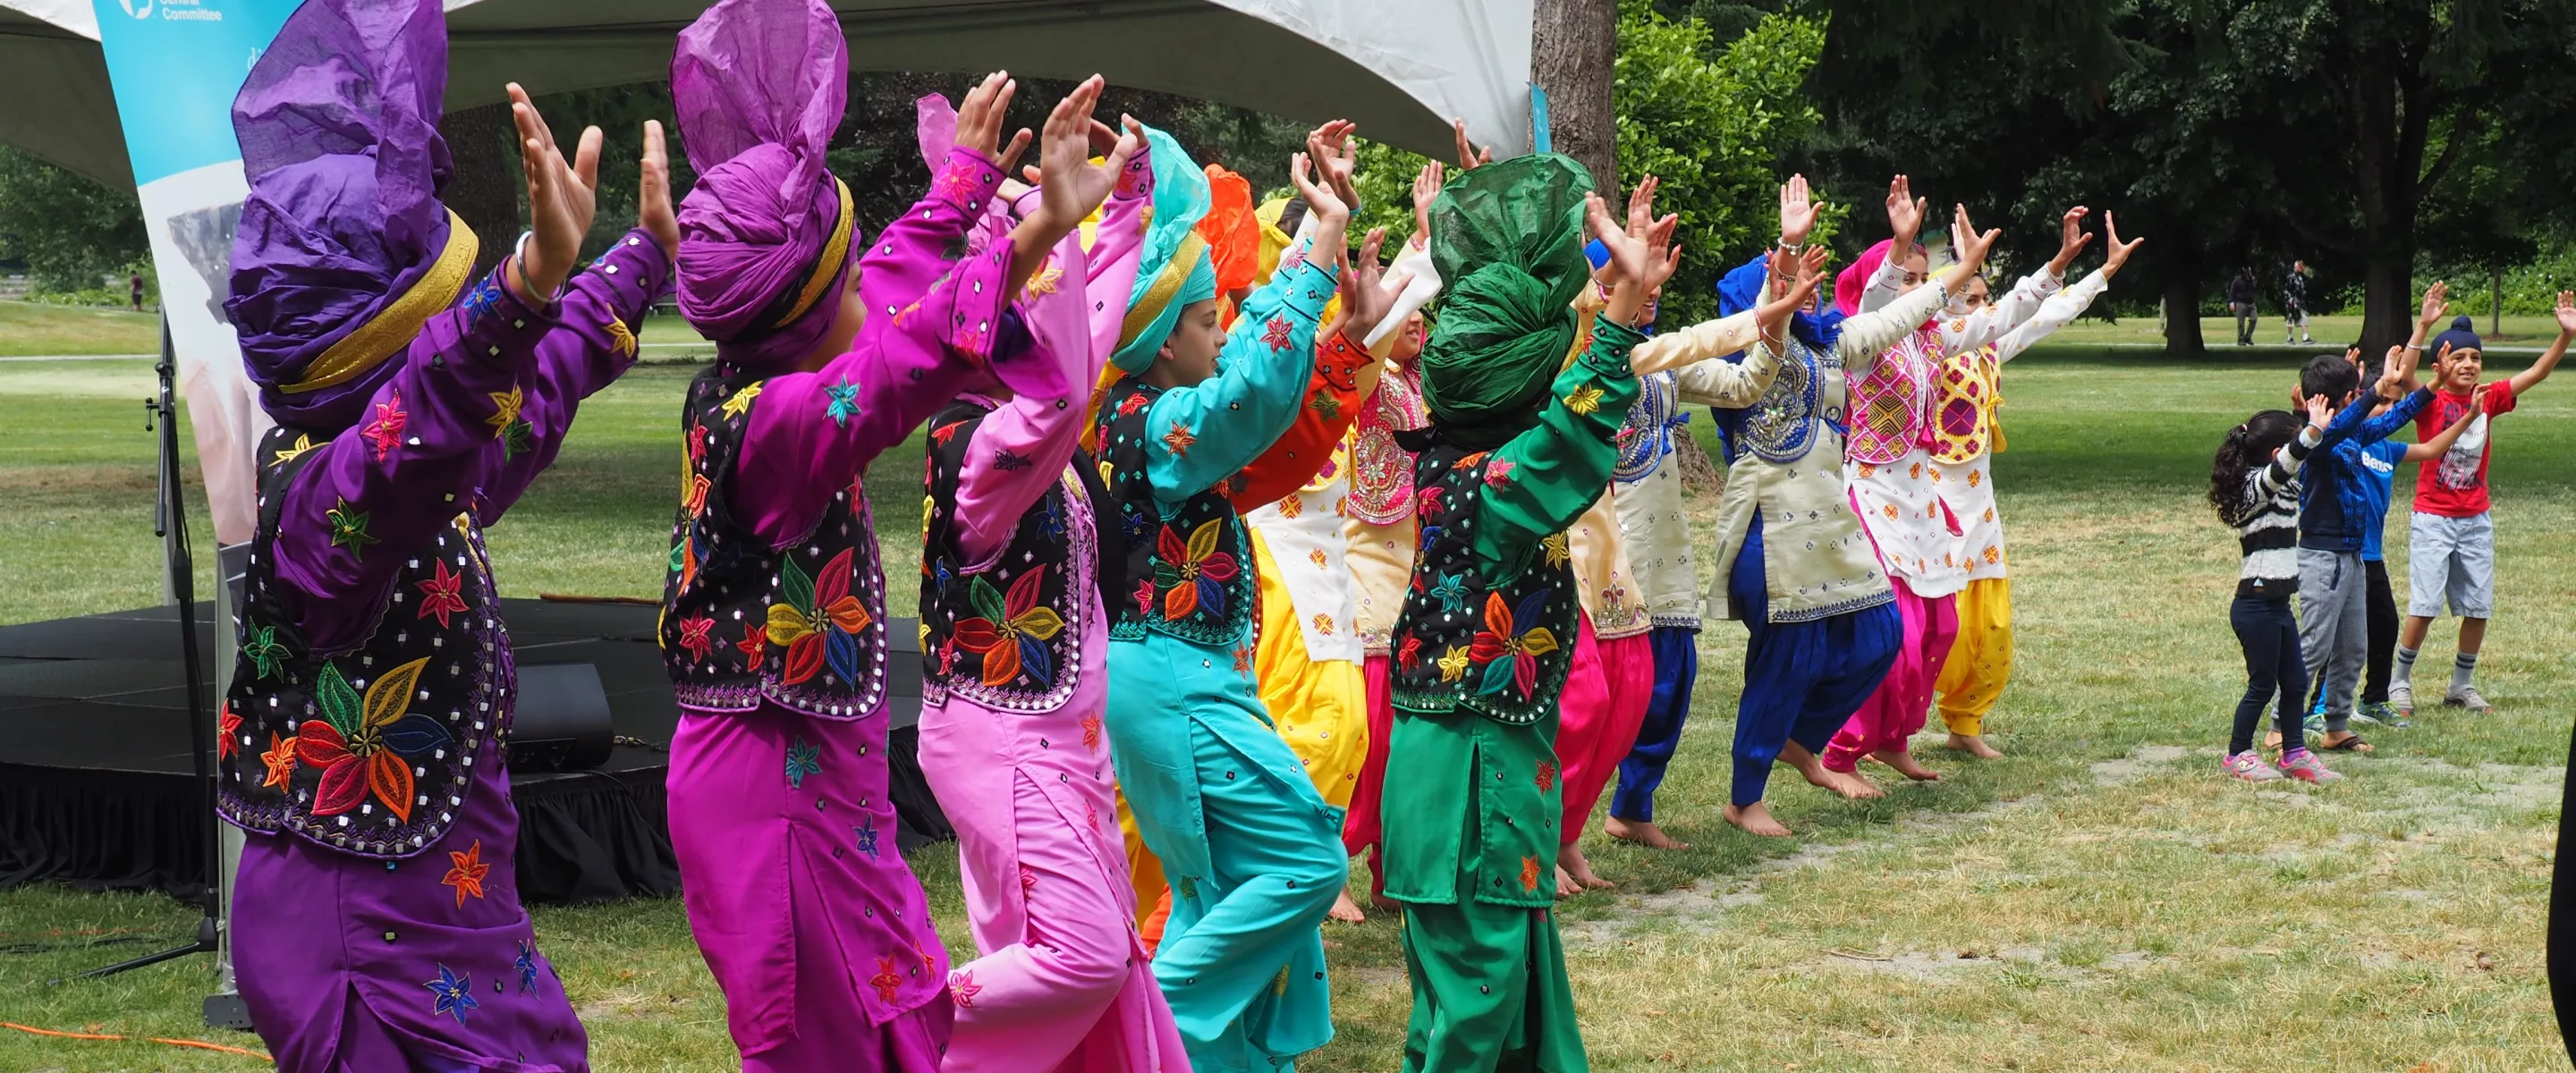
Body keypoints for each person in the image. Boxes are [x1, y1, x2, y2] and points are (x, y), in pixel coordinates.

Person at [213, 0, 675, 1067]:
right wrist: (516, 294)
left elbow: (527, 391)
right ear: (394, 347)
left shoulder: (428, 477)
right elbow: (416, 429)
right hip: (361, 938)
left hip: (442, 909)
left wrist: (640, 259)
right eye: (446, 306)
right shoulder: (332, 504)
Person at [659, 5, 1053, 1061]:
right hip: (771, 799)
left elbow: (875, 294)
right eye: (845, 285)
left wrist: (961, 185)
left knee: (896, 1024)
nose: (868, 294)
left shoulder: (764, 372)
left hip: (799, 770)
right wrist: (1017, 255)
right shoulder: (778, 425)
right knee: (845, 1043)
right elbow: (886, 368)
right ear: (808, 313)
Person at [1379, 156, 1716, 1072]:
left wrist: (1609, 292)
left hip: (1471, 774)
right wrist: (1617, 320)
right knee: (1476, 1006)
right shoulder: (1494, 492)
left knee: (1513, 998)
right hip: (1471, 790)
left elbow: (1551, 405)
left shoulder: (1451, 461)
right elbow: (1569, 431)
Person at [1093, 117, 1395, 1072]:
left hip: (1180, 680)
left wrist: (1344, 338)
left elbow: (1280, 436)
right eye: (1204, 320)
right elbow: (1256, 392)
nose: (1220, 327)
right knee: (1308, 858)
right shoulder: (1155, 426)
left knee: (1216, 892)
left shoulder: (1169, 427)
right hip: (1174, 683)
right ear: (1159, 343)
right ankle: (1144, 1037)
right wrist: (1317, 244)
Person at [909, 80, 1199, 1071]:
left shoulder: (1021, 408)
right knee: (1081, 958)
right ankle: (894, 1034)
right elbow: (1065, 385)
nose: (1049, 298)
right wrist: (1068, 233)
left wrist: (1117, 206)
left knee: (1090, 961)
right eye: (1027, 277)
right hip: (1006, 747)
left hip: (1056, 741)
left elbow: (1086, 331)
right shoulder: (983, 447)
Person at [1666, 175, 1992, 836]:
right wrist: (1785, 252)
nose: (1798, 291)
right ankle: (1743, 796)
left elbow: (1893, 316)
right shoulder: (1744, 364)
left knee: (1879, 635)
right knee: (1784, 660)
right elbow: (1760, 326)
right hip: (1769, 528)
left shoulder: (1829, 349)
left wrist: (1953, 270)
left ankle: (1801, 741)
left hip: (1833, 525)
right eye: (1780, 283)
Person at [1826, 182, 2048, 786]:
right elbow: (1875, 303)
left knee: (1942, 628)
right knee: (1893, 633)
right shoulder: (1864, 342)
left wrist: (2053, 269)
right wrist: (1899, 247)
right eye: (1909, 277)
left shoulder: (1933, 338)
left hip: (1922, 500)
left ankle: (1894, 739)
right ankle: (1842, 751)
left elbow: (2001, 316)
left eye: (1925, 277)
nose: (1918, 287)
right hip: (1873, 494)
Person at [1926, 208, 2143, 759]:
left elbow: (2049, 315)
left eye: (1982, 300)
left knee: (1991, 626)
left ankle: (1964, 724)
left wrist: (2100, 274)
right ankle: (1891, 727)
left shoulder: (1990, 348)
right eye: (1968, 300)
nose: (1980, 309)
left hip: (1980, 505)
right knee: (1928, 629)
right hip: (1928, 506)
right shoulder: (1921, 352)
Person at [2388, 287, 2576, 715]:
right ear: (2441, 365)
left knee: (2477, 605)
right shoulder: (2429, 399)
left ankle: (2461, 685)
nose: (2469, 365)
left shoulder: (2488, 398)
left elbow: (2536, 373)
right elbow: (2404, 373)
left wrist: (2566, 336)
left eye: (2475, 358)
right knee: (2425, 604)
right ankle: (2398, 682)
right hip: (2433, 517)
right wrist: (2423, 325)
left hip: (2475, 518)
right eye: (2458, 358)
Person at [2208, 400, 2343, 783]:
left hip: (2277, 605)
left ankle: (2294, 753)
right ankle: (2238, 754)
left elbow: (2304, 454)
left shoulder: (2285, 484)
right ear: (2273, 455)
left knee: (2296, 682)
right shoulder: (2256, 488)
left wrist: (2309, 418)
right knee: (2262, 684)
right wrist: (2309, 430)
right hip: (2255, 604)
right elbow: (2293, 456)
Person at [2283, 260, 2313, 344]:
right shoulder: (2291, 276)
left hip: (2300, 301)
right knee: (2291, 319)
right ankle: (2289, 338)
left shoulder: (2301, 277)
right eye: (2301, 266)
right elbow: (2287, 290)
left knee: (2304, 317)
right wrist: (2290, 300)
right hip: (2292, 301)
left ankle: (2305, 338)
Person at [2229, 266, 2258, 346]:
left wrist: (2253, 279)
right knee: (2241, 323)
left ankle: (2248, 337)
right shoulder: (2237, 280)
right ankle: (2241, 340)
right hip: (2240, 302)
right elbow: (2232, 291)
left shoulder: (2252, 280)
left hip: (2251, 302)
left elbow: (2255, 287)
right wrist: (2231, 302)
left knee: (2254, 319)